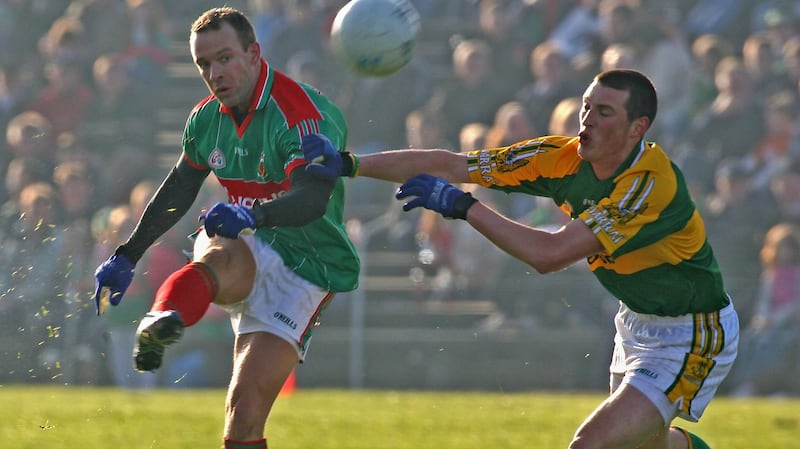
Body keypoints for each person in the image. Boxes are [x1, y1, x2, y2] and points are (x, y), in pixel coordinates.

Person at [306, 69, 738, 449]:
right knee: (644, 446)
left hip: (691, 328)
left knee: (592, 444)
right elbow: (450, 164)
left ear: (636, 128)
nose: (586, 119)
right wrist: (348, 163)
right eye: (587, 106)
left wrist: (464, 208)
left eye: (604, 112)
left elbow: (549, 255)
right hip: (636, 320)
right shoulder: (560, 157)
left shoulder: (649, 184)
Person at [91, 7, 359, 448]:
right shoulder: (205, 119)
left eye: (225, 58)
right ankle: (164, 316)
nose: (215, 73)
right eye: (204, 65)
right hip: (252, 239)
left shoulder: (303, 114)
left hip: (310, 264)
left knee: (244, 412)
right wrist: (128, 254)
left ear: (254, 54)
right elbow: (179, 187)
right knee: (218, 248)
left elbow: (313, 199)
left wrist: (254, 215)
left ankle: (171, 310)